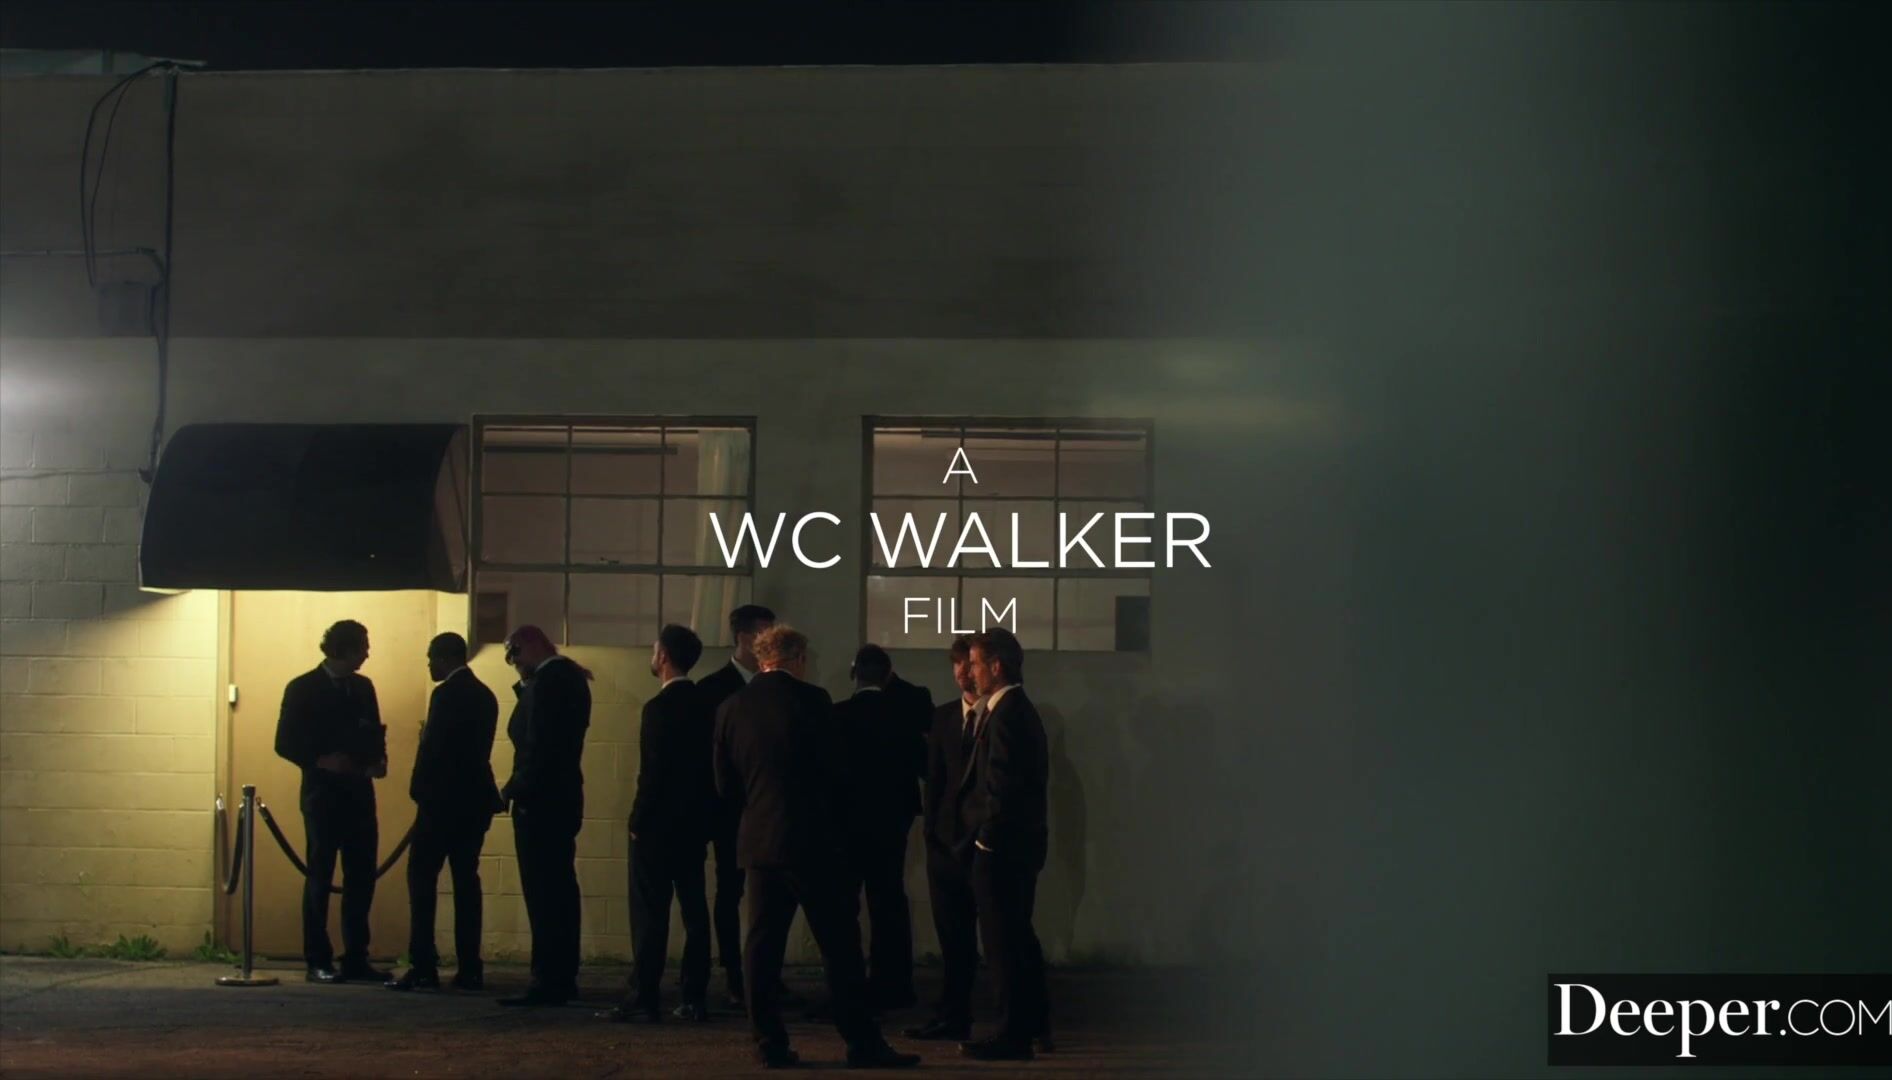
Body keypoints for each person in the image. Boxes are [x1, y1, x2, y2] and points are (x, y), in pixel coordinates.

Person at [712, 625, 919, 1069]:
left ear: (761, 660)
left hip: (760, 843)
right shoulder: (813, 701)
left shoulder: (731, 707)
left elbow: (725, 784)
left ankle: (768, 1043)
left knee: (761, 947)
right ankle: (861, 1042)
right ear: (798, 658)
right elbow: (835, 772)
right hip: (813, 843)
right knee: (840, 947)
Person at [606, 623, 715, 1023]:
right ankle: (694, 995)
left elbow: (652, 772)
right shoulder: (707, 705)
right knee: (695, 911)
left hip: (656, 827)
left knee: (650, 913)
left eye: (655, 650)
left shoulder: (658, 708)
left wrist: (638, 818)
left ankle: (645, 995)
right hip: (693, 825)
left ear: (664, 657)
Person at [273, 619, 389, 984]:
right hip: (323, 796)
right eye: (362, 647)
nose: (367, 654)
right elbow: (284, 741)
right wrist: (321, 760)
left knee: (361, 877)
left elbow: (373, 730)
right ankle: (317, 958)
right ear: (345, 649)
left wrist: (378, 760)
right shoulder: (302, 688)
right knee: (320, 877)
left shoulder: (363, 688)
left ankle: (356, 956)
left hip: (359, 794)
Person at [956, 628, 1052, 1061]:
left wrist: (985, 843)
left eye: (976, 663)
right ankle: (1033, 1025)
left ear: (996, 667)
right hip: (1015, 847)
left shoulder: (1008, 714)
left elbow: (1002, 786)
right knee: (1018, 938)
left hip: (1001, 851)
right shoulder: (1014, 710)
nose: (969, 672)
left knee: (1003, 945)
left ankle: (1012, 1034)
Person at [388, 633, 501, 992]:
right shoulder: (485, 695)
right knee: (466, 881)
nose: (429, 665)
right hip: (474, 801)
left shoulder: (445, 695)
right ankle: (470, 966)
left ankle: (423, 963)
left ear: (445, 658)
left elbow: (433, 748)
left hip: (441, 803)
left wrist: (418, 789)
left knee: (422, 879)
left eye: (431, 658)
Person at [496, 625, 592, 1007]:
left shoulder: (549, 683)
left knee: (543, 892)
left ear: (533, 644)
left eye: (514, 652)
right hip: (561, 798)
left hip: (541, 801)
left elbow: (536, 745)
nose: (512, 661)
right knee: (559, 888)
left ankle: (548, 976)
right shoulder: (567, 679)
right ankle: (560, 974)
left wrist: (513, 788)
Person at [695, 602, 780, 1008]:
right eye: (765, 634)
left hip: (768, 810)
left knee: (769, 897)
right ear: (745, 638)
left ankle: (762, 976)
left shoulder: (775, 686)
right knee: (729, 892)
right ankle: (734, 974)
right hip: (728, 811)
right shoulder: (711, 691)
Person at [834, 644, 925, 1011]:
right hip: (891, 822)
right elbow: (924, 767)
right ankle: (894, 984)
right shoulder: (902, 717)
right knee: (888, 899)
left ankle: (848, 985)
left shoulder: (836, 716)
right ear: (888, 675)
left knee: (844, 905)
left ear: (853, 674)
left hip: (846, 822)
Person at [904, 634, 982, 1040]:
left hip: (983, 845)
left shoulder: (999, 715)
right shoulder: (944, 716)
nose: (962, 672)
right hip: (946, 844)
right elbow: (933, 779)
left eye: (969, 664)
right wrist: (932, 831)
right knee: (952, 937)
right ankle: (954, 1014)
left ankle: (1020, 1019)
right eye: (957, 664)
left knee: (1004, 936)